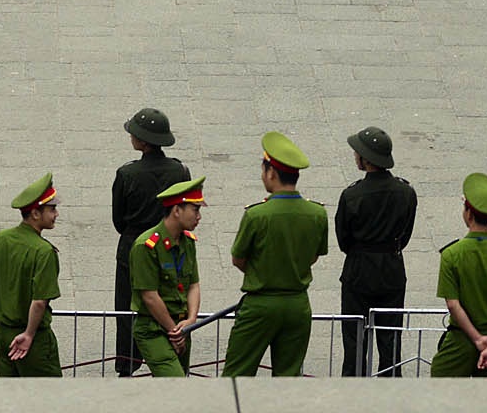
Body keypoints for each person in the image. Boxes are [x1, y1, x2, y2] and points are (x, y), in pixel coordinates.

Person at [223, 132, 329, 377]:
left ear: (271, 173)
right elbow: (313, 256)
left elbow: (238, 259)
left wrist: (263, 270)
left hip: (260, 304)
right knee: (287, 379)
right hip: (297, 305)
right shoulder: (317, 213)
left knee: (236, 377)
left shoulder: (257, 215)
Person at [112, 108, 190, 374]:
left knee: (127, 307)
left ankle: (127, 363)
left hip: (134, 243)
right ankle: (175, 355)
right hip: (170, 244)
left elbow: (118, 220)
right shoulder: (180, 170)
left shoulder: (127, 174)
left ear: (143, 142)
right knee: (174, 298)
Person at [337, 126, 416, 378]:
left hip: (358, 270)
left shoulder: (352, 195)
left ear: (366, 159)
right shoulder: (406, 192)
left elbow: (343, 240)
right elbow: (406, 233)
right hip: (392, 269)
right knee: (390, 342)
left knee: (354, 342)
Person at [430, 172, 487, 377]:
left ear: (468, 214)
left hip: (461, 340)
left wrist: (478, 340)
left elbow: (453, 305)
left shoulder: (452, 254)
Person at [128, 177, 205, 377]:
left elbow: (194, 285)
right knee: (176, 381)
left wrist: (191, 319)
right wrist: (174, 331)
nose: (199, 217)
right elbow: (149, 296)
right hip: (154, 329)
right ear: (177, 210)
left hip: (181, 327)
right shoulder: (145, 246)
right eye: (195, 210)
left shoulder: (188, 242)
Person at [0, 172, 62, 377]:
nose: (56, 214)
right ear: (35, 214)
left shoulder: (1, 239)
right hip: (30, 338)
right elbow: (40, 301)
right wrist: (29, 334)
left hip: (3, 333)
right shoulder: (43, 251)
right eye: (52, 209)